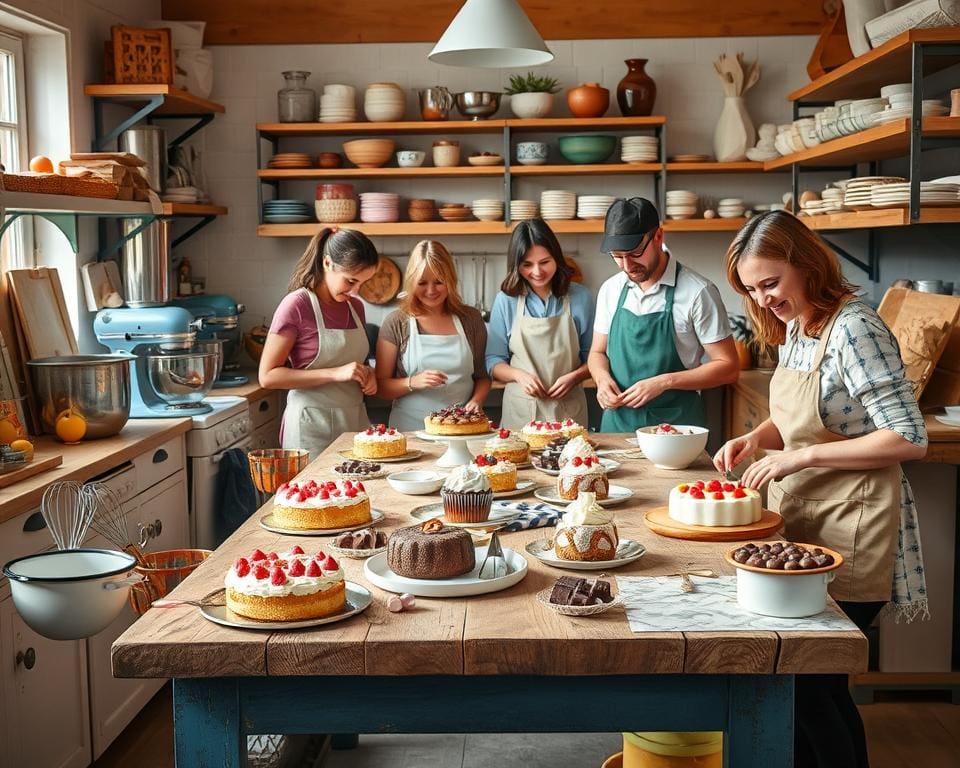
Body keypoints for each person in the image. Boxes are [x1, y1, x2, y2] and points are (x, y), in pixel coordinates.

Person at [713, 211, 928, 768]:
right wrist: (756, 437)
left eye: (770, 283)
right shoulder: (798, 326)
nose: (762, 300)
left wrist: (801, 456)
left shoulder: (855, 328)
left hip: (857, 528)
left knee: (810, 686)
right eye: (752, 289)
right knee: (811, 685)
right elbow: (800, 417)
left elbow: (908, 437)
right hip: (808, 523)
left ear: (807, 265)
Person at [588, 197, 739, 431]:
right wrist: (602, 380)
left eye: (635, 253)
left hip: (678, 430)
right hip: (618, 426)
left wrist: (665, 382)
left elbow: (728, 366)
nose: (627, 266)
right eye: (618, 256)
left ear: (658, 237)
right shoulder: (611, 289)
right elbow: (597, 352)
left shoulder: (698, 292)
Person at [259, 227, 380, 458]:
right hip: (310, 426)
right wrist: (336, 373)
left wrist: (368, 374)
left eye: (363, 284)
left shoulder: (356, 308)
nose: (356, 292)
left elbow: (355, 363)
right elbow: (268, 376)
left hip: (354, 421)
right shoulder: (297, 305)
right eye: (351, 281)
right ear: (327, 263)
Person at [486, 218, 594, 429]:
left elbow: (594, 356)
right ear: (516, 265)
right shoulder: (506, 300)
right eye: (527, 265)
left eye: (545, 262)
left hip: (568, 410)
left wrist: (575, 377)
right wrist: (519, 375)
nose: (537, 271)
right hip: (521, 411)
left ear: (557, 257)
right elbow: (493, 361)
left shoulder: (581, 297)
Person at [375, 240, 491, 431]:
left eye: (439, 282)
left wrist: (476, 401)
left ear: (450, 280)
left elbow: (482, 376)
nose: (431, 291)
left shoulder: (470, 319)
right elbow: (381, 387)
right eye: (422, 283)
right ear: (412, 281)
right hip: (410, 428)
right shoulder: (396, 322)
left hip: (461, 427)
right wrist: (412, 382)